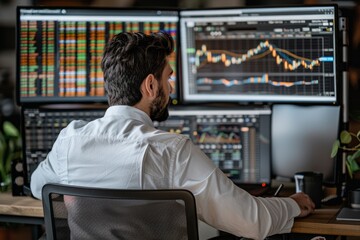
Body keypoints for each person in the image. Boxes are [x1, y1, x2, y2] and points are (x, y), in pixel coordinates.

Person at [30, 31, 315, 240]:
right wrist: (292, 204)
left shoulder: (71, 139)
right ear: (150, 85)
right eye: (168, 77)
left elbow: (38, 188)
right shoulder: (172, 151)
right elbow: (252, 222)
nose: (171, 88)